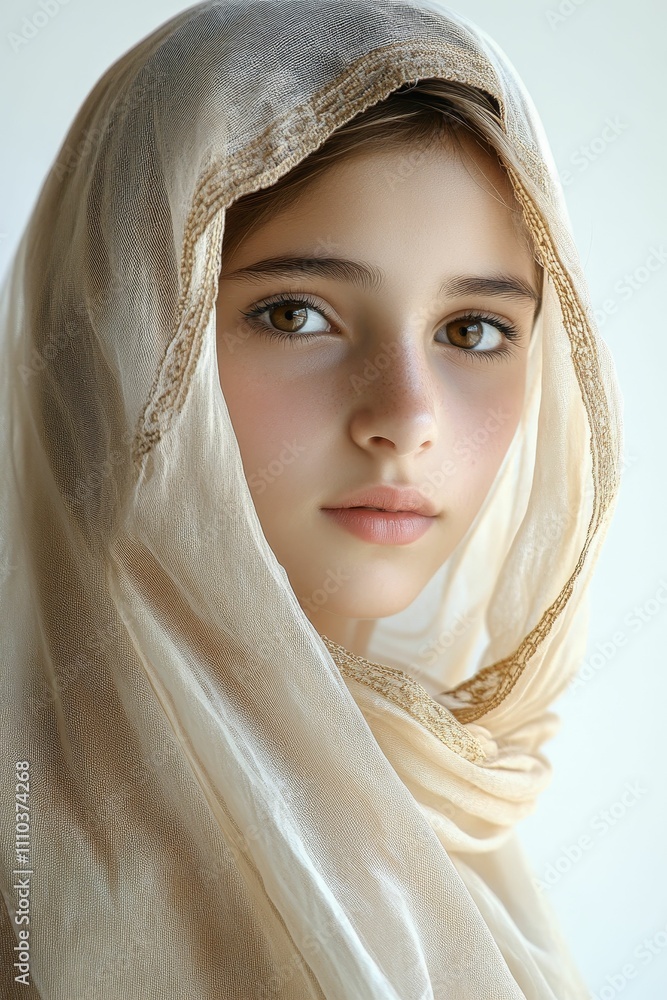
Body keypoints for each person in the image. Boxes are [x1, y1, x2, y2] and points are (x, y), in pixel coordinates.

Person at [0, 0, 623, 997]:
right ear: (118, 336)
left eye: (472, 330)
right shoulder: (38, 889)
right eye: (297, 314)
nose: (406, 416)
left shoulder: (435, 810)